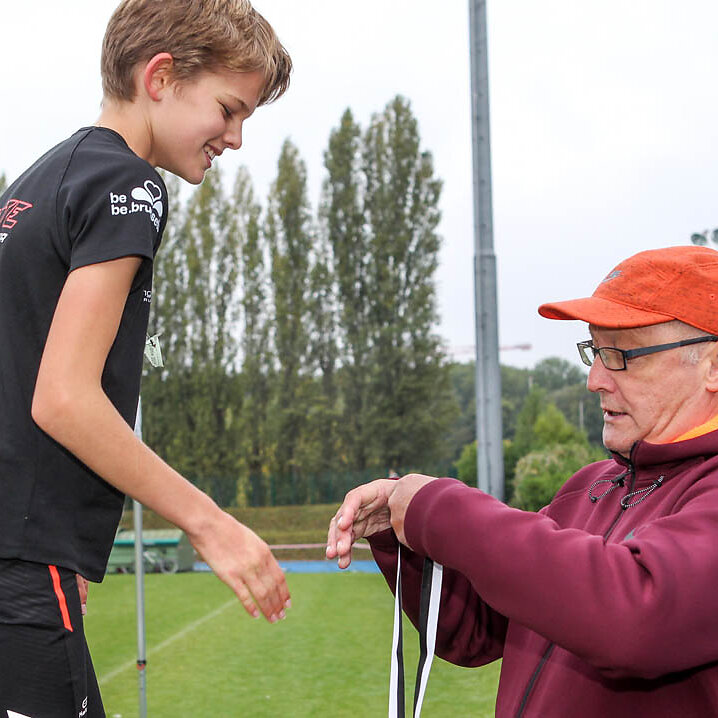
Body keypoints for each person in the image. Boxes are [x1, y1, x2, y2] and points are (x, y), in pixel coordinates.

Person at [0, 2, 292, 716]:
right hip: (21, 567)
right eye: (228, 109)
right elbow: (63, 397)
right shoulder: (127, 185)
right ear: (160, 78)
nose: (236, 137)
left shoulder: (38, 180)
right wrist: (211, 523)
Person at [327, 245, 718, 717]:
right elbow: (475, 631)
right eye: (595, 351)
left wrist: (439, 510)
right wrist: (403, 533)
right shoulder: (591, 486)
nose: (595, 379)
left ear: (712, 366)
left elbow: (635, 614)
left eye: (621, 355)